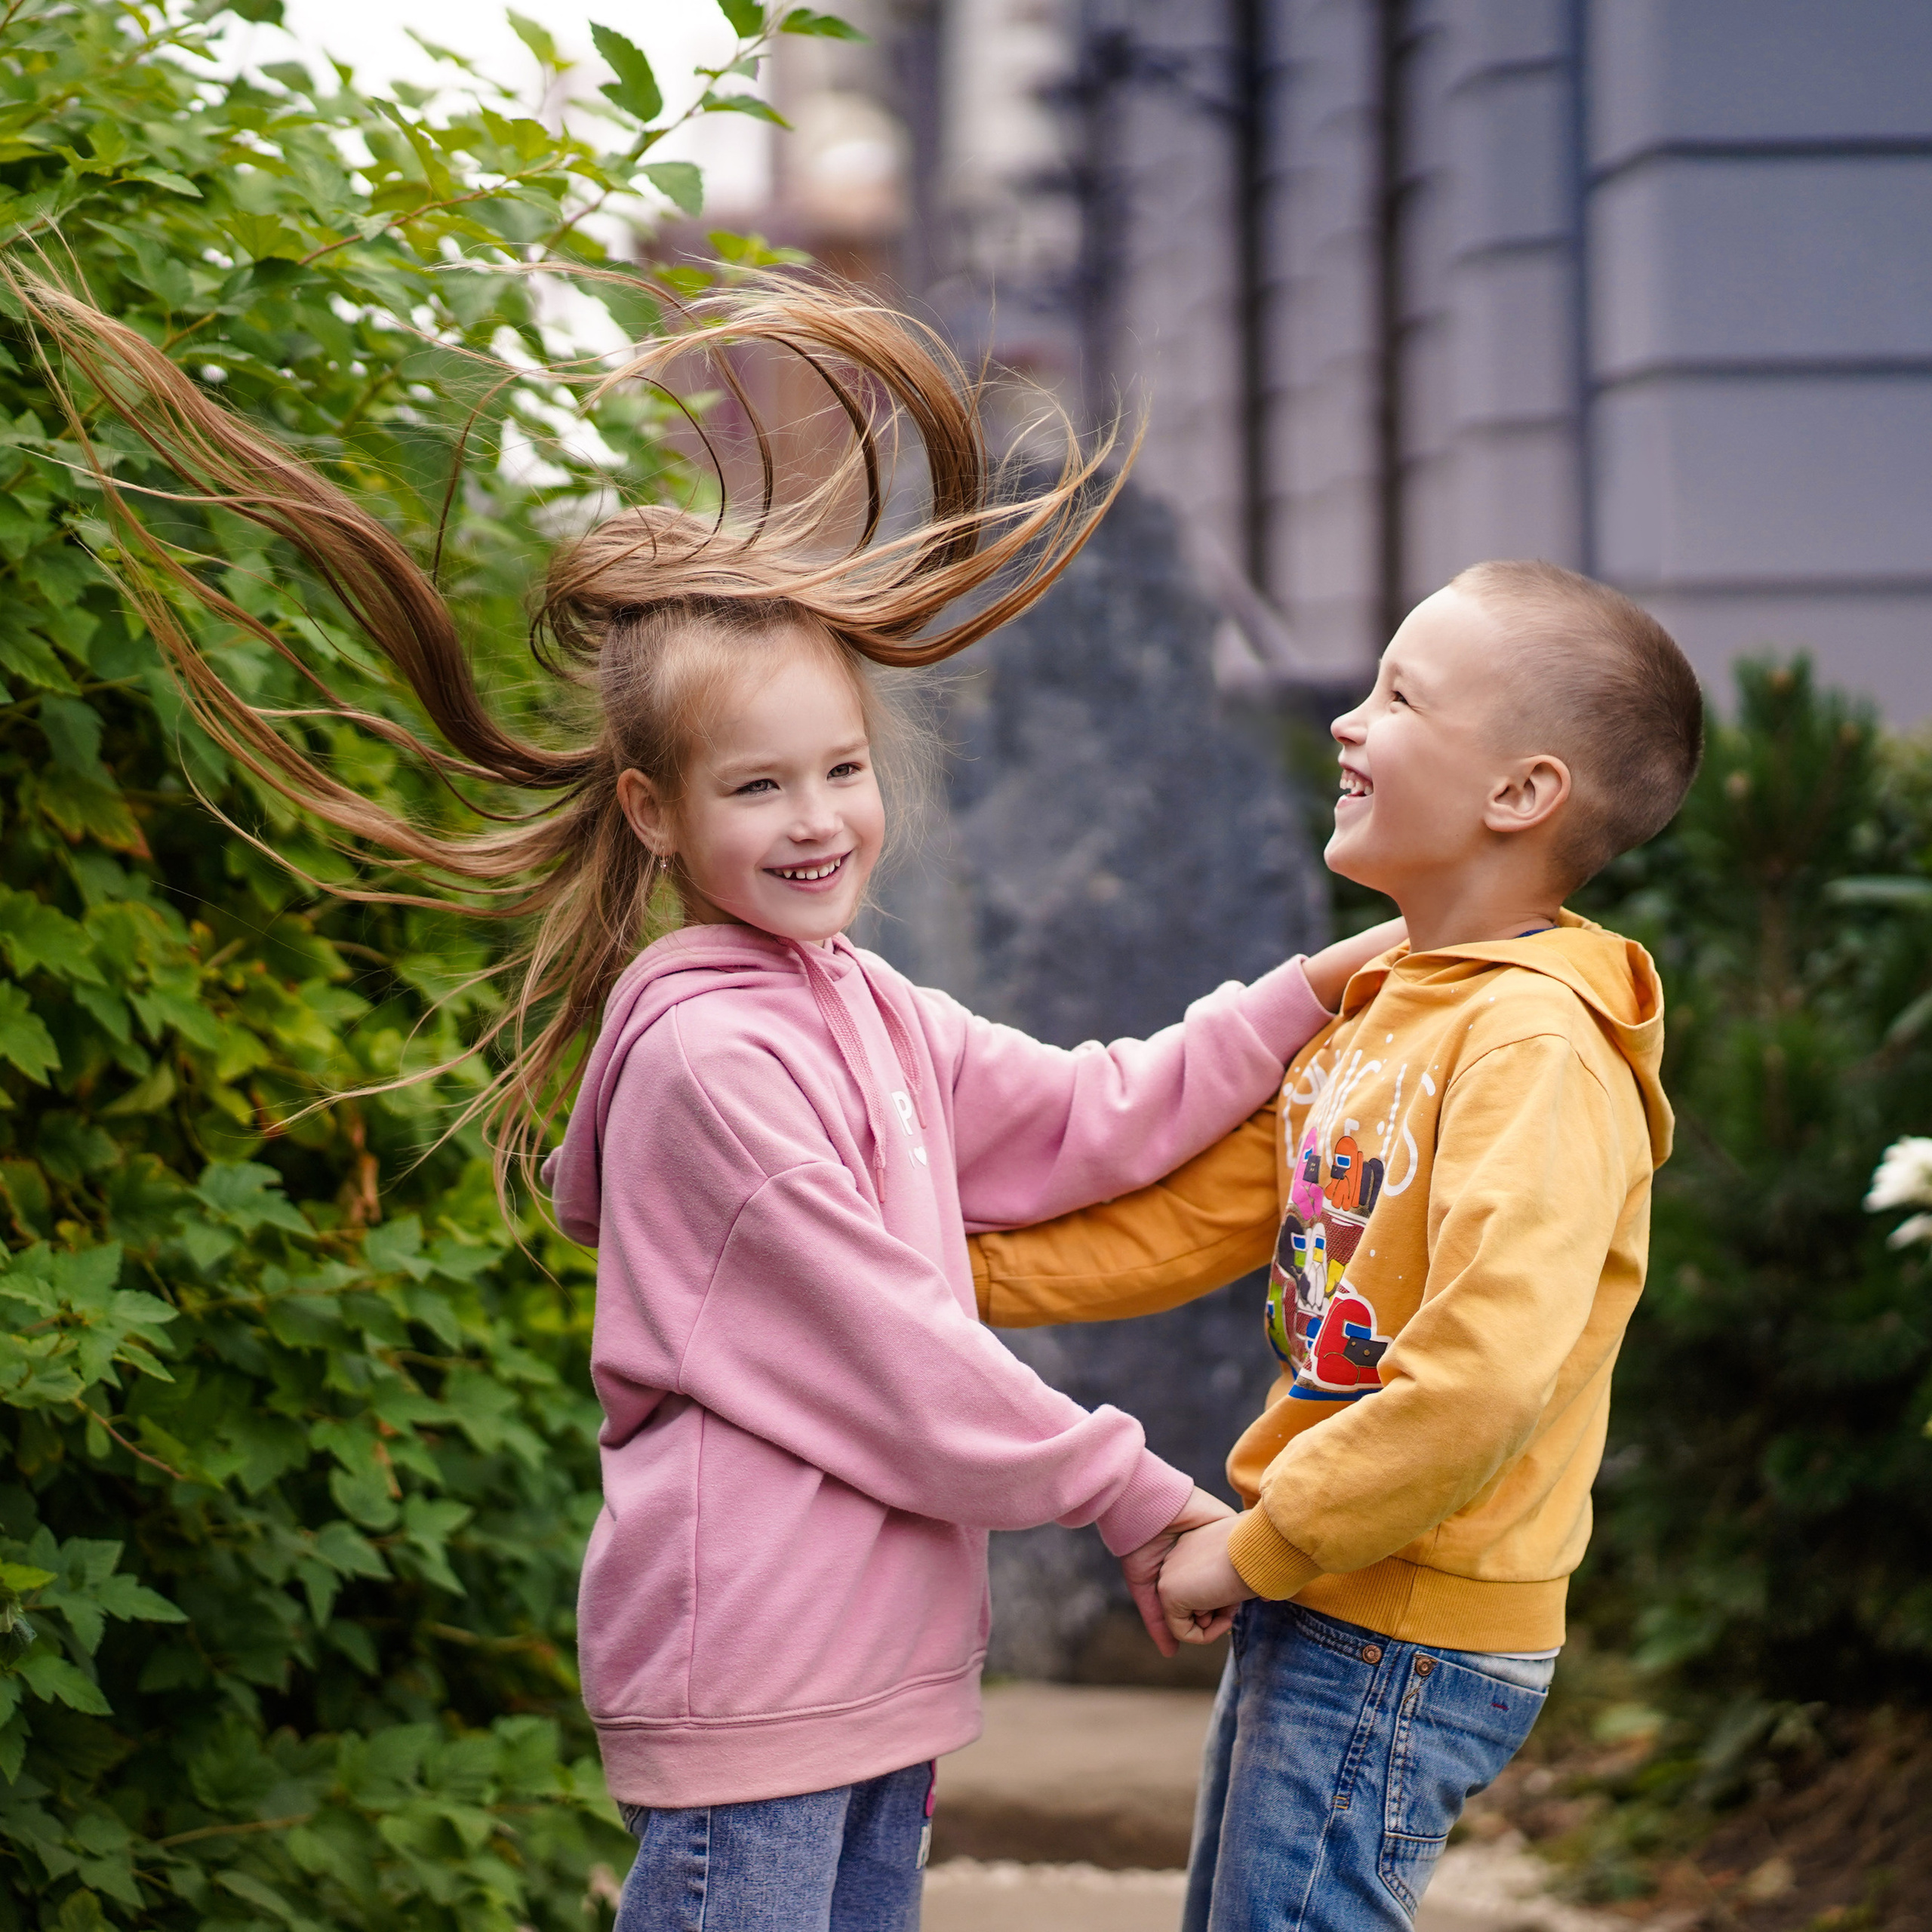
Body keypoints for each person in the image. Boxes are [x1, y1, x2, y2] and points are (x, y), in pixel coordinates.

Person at [15, 263, 1398, 1931]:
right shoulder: (707, 1061)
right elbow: (894, 1346)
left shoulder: (859, 1003)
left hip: (876, 1667)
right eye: (756, 785)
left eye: (839, 768)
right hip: (753, 1673)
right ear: (654, 814)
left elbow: (1079, 1116)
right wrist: (1131, 1487)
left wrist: (1299, 994)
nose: (817, 817)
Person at [970, 560, 1703, 1931]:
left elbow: (1483, 1380)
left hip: (1408, 1617)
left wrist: (1258, 1545)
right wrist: (948, 1276)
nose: (1346, 724)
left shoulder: (1535, 1050)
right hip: (1332, 1576)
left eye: (1400, 696)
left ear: (1519, 795)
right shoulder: (1394, 1009)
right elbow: (1200, 1221)